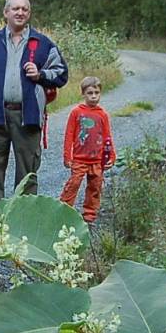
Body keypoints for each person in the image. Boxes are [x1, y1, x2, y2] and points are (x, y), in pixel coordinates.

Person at [0, 0, 68, 202]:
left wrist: (40, 74)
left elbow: (62, 73)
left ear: (29, 13)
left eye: (24, 9)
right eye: (15, 8)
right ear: (6, 12)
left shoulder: (42, 44)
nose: (20, 13)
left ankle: (23, 220)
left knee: (28, 174)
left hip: (28, 116)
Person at [59, 76, 115, 223]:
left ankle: (89, 215)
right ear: (83, 94)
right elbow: (69, 135)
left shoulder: (102, 114)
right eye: (90, 93)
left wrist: (111, 156)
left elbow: (107, 137)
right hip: (79, 158)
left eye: (96, 93)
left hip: (97, 159)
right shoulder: (77, 112)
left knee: (95, 186)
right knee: (74, 184)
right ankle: (63, 210)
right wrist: (67, 156)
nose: (94, 96)